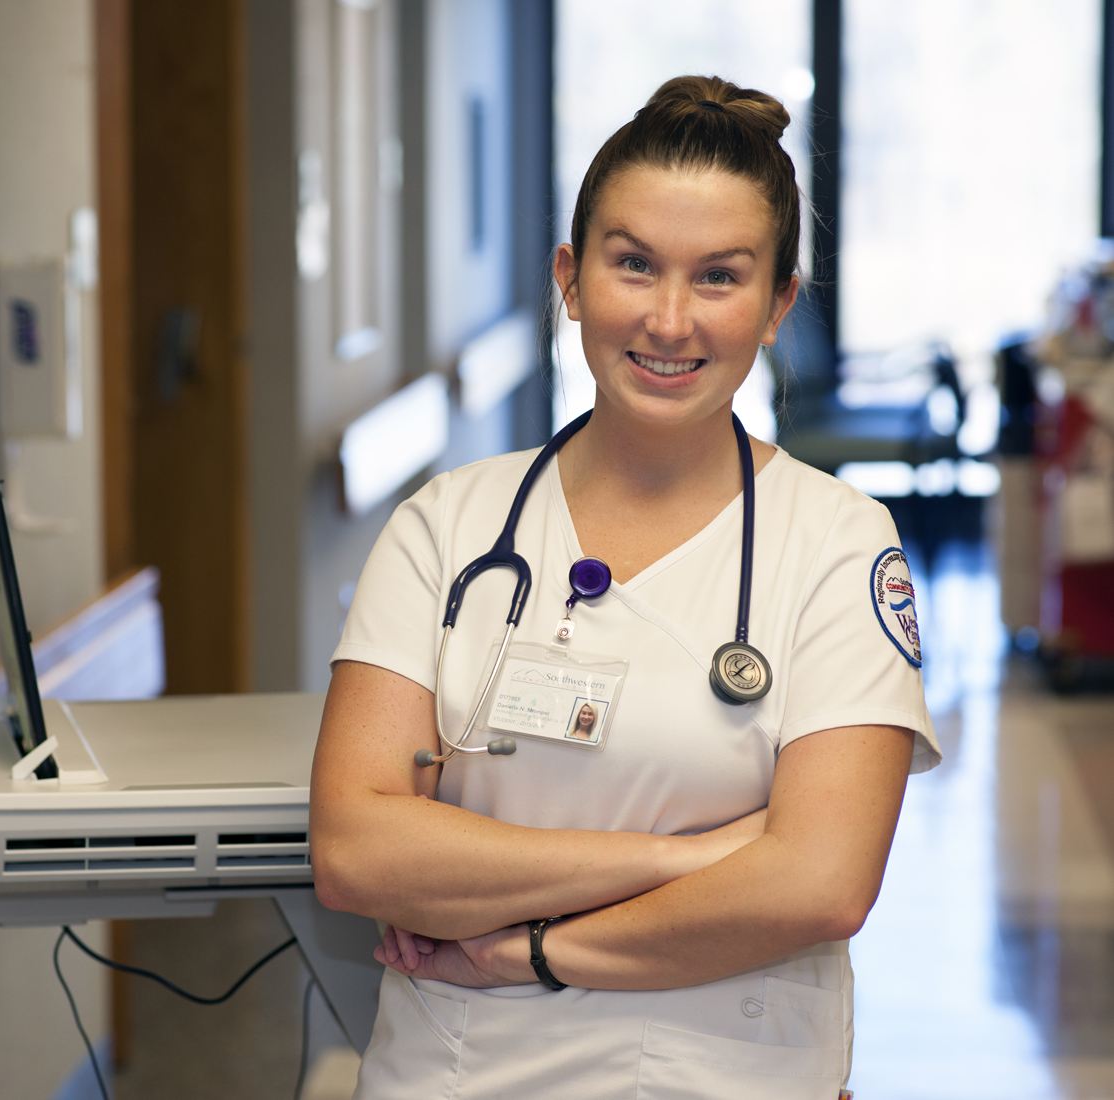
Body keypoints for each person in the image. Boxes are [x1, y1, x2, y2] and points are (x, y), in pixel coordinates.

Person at [309, 74, 940, 1100]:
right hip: (461, 1074)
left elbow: (820, 883)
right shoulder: (446, 529)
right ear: (570, 277)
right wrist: (688, 857)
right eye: (633, 264)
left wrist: (533, 949)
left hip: (731, 1074)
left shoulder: (836, 543)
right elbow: (354, 849)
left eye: (721, 277)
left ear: (780, 301)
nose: (670, 319)